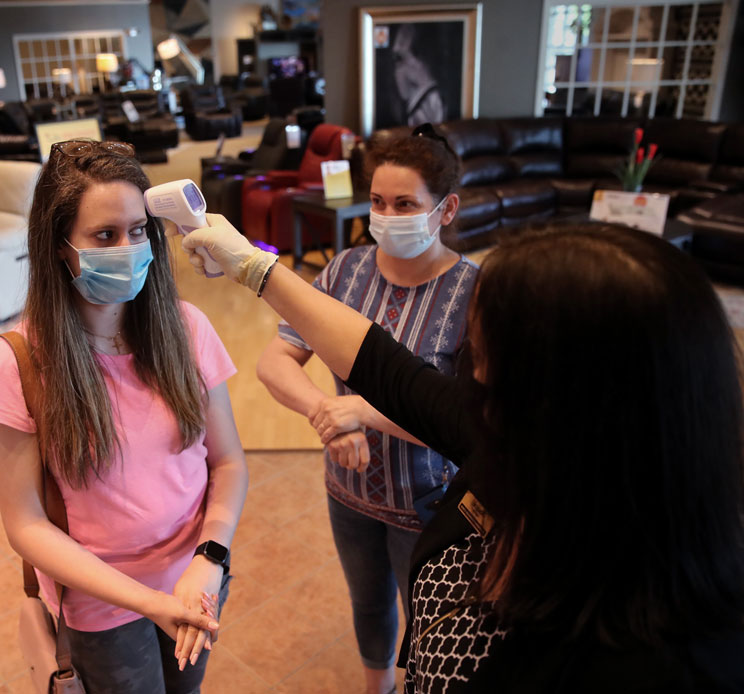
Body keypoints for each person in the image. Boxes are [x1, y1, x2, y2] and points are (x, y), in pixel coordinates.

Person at [180, 216, 744, 692]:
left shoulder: (656, 659)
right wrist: (255, 267)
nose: (470, 371)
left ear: (572, 400)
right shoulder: (523, 449)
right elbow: (389, 369)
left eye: (485, 359)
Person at [0, 140, 249, 694]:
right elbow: (25, 525)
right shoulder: (18, 362)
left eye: (137, 231)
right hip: (103, 604)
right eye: (104, 235)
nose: (127, 248)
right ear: (59, 247)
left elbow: (228, 463)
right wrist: (147, 601)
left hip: (198, 576)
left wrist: (210, 557)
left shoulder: (187, 327)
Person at [256, 126, 477, 694]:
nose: (387, 215)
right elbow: (275, 362)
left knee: (428, 621)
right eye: (378, 202)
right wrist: (324, 412)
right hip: (348, 493)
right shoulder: (343, 271)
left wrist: (361, 414)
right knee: (368, 603)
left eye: (406, 204)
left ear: (446, 208)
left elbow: (468, 416)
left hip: (427, 502)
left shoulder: (473, 295)